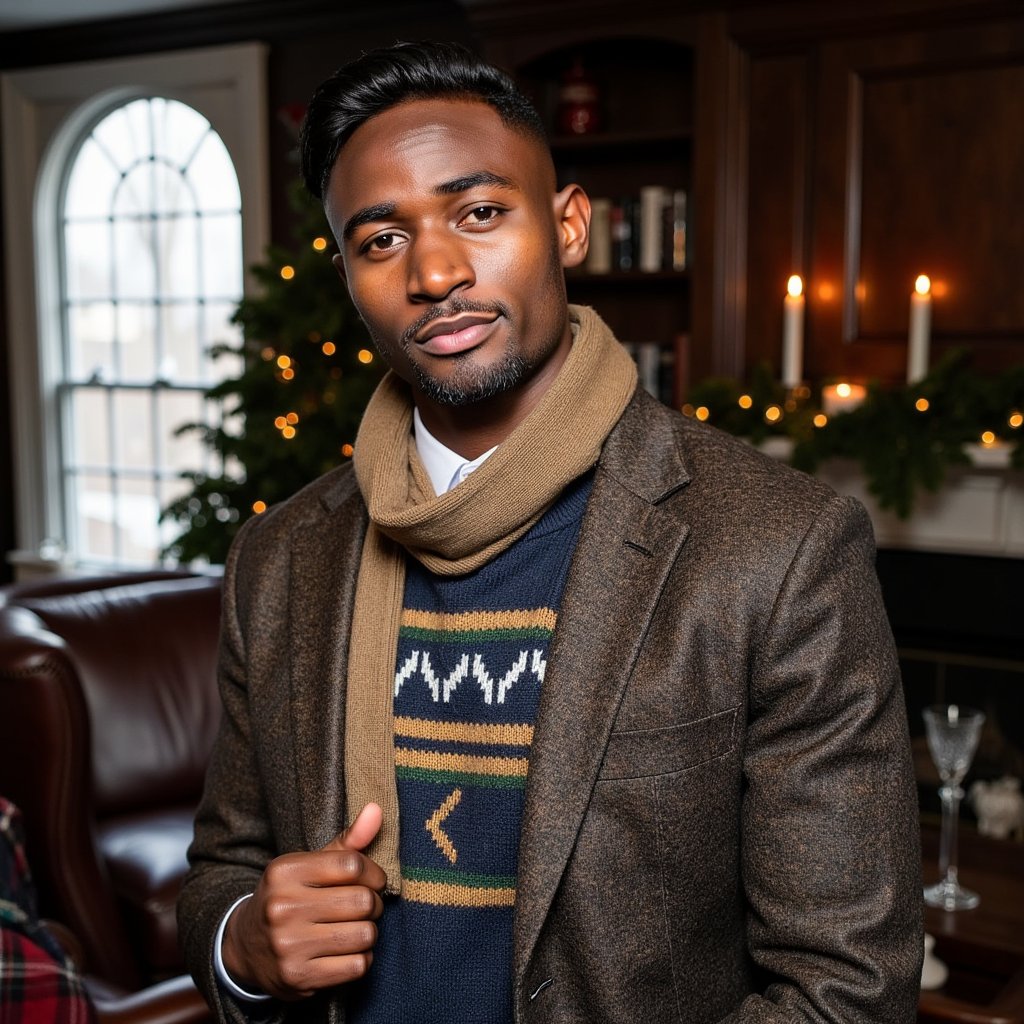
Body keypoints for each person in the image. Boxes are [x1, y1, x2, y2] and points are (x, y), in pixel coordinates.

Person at [179, 40, 923, 1024]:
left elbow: (846, 991)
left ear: (569, 226)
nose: (435, 271)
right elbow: (225, 868)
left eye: (480, 213)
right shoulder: (278, 560)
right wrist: (242, 944)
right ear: (350, 275)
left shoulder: (778, 548)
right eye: (382, 239)